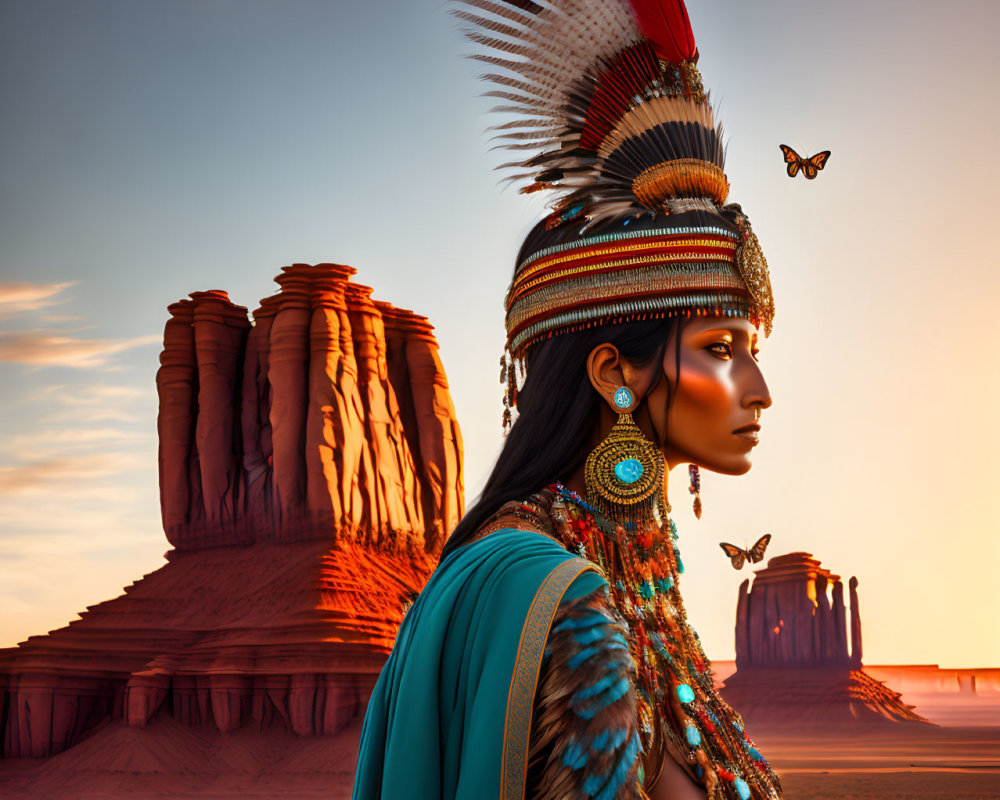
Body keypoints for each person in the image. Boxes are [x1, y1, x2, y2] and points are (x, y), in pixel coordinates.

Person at [353, 0, 783, 798]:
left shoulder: (628, 570)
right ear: (614, 373)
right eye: (722, 350)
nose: (757, 390)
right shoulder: (557, 595)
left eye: (752, 353)